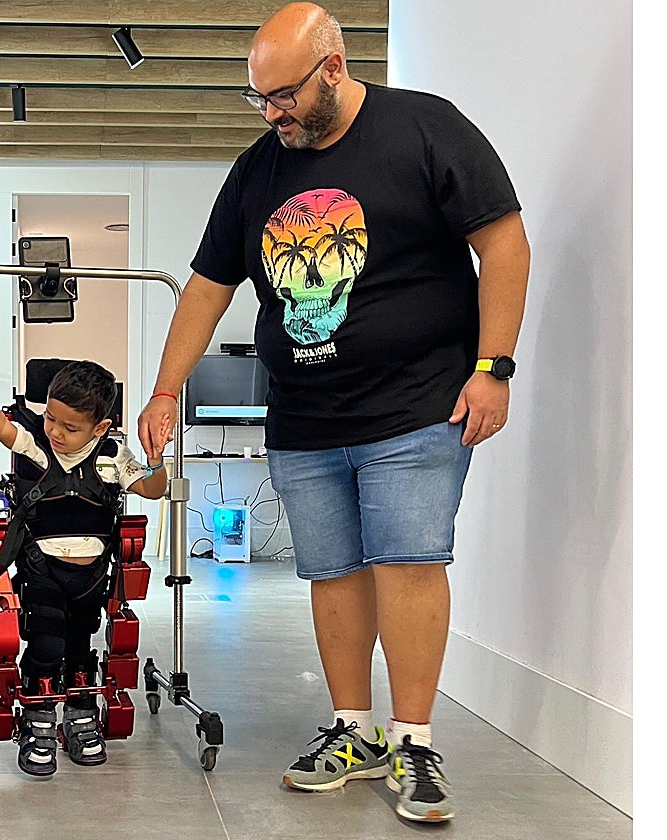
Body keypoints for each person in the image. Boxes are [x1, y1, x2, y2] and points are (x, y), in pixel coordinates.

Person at [137, 2, 530, 824]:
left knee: (409, 564)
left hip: (419, 405)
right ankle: (353, 731)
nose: (273, 112)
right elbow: (210, 287)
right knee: (332, 576)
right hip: (307, 417)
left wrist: (493, 367)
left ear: (334, 68)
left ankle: (414, 741)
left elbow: (504, 243)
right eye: (260, 99)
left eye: (284, 96)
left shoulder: (425, 130)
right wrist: (166, 388)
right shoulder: (257, 170)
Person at [0, 360, 166, 776]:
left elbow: (153, 490)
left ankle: (81, 717)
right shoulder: (35, 444)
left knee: (81, 650)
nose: (56, 431)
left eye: (70, 427)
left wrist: (156, 459)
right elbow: (1, 426)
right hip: (41, 570)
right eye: (50, 417)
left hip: (90, 579)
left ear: (100, 428)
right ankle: (39, 723)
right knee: (45, 646)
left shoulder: (113, 455)